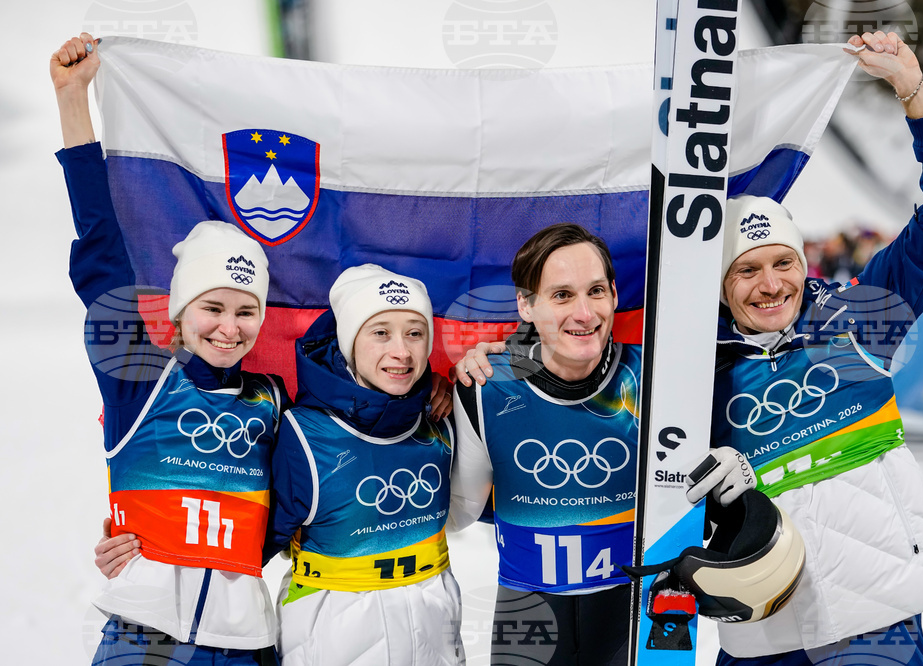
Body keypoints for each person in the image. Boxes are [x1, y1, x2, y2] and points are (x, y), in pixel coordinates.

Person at [692, 30, 923, 665]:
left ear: (804, 263)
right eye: (747, 271)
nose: (770, 284)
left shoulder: (863, 314)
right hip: (762, 617)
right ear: (721, 285)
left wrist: (914, 91)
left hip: (874, 614)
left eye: (783, 263)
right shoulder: (691, 364)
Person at [53, 34, 287, 665]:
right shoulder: (141, 381)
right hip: (143, 636)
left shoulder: (274, 400)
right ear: (180, 317)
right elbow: (102, 254)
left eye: (246, 312)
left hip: (246, 643)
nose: (229, 328)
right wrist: (74, 101)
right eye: (212, 309)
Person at [448, 223, 642, 665]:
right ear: (526, 305)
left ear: (614, 295)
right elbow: (459, 514)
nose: (584, 312)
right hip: (527, 618)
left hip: (628, 615)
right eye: (561, 295)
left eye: (596, 291)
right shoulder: (485, 386)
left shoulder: (651, 376)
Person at [267, 264, 464, 665]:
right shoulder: (302, 434)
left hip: (435, 639)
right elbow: (246, 547)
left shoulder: (440, 418)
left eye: (415, 332)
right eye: (380, 333)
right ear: (348, 343)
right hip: (331, 639)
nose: (402, 352)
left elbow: (509, 497)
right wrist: (144, 541)